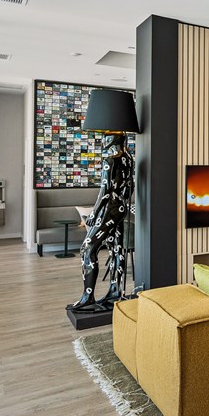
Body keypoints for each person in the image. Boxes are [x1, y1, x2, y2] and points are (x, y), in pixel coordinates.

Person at [67, 133, 134, 312]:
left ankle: (88, 297)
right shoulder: (128, 159)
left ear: (112, 140)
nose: (103, 141)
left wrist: (94, 213)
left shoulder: (110, 161)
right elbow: (130, 188)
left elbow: (105, 191)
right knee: (116, 249)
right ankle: (115, 292)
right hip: (120, 207)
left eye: (106, 137)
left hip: (109, 208)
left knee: (87, 248)